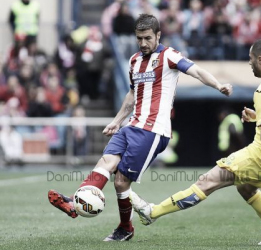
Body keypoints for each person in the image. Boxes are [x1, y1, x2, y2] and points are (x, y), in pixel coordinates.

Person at [47, 14, 232, 242]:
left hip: (153, 131)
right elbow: (132, 94)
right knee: (105, 163)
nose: (143, 43)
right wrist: (116, 121)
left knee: (121, 181)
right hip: (130, 125)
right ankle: (76, 203)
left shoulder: (169, 56)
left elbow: (196, 71)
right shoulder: (134, 60)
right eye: (139, 39)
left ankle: (125, 228)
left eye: (147, 38)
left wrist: (218, 85)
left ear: (158, 35)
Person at [131, 38, 261, 246]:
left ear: (260, 59)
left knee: (207, 181)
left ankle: (152, 212)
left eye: (250, 59)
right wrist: (259, 116)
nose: (249, 63)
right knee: (246, 188)